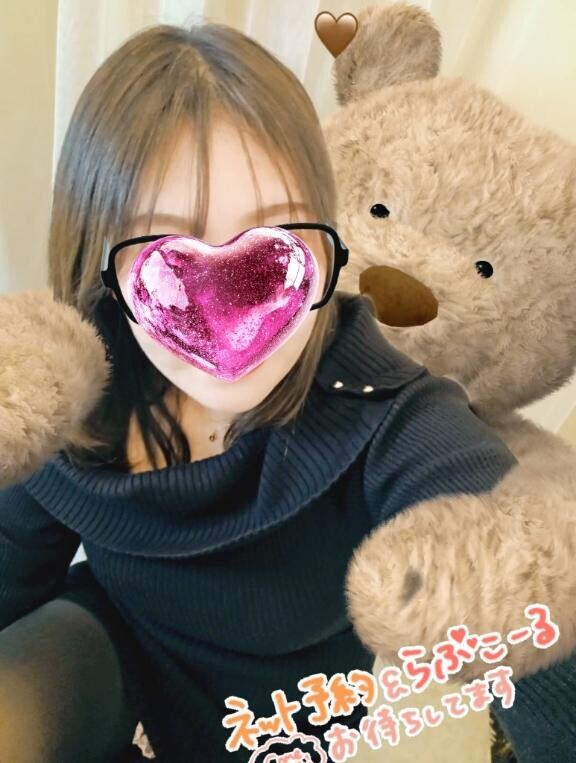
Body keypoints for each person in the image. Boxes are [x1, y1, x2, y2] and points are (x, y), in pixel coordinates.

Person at [0, 18, 573, 763]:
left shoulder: (389, 414)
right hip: (109, 656)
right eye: (169, 251)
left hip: (280, 729)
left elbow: (523, 583)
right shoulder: (76, 381)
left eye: (273, 242)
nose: (228, 312)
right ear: (104, 261)